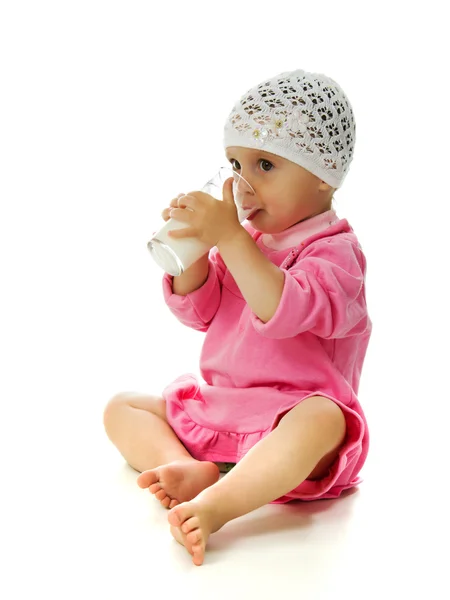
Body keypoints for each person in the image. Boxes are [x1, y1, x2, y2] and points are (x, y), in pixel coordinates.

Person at [103, 68, 372, 566]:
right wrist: (196, 254)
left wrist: (227, 237)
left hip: (290, 421)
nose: (242, 183)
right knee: (123, 407)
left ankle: (218, 504)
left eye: (265, 165)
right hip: (229, 409)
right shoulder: (243, 240)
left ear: (323, 173)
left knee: (325, 418)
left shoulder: (336, 255)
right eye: (235, 163)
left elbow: (285, 309)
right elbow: (201, 313)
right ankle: (187, 469)